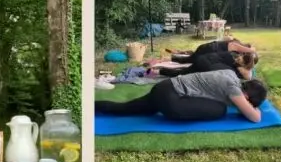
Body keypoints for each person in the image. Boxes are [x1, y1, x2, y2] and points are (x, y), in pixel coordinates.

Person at [95, 69, 268, 123]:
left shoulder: (230, 74)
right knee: (220, 109)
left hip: (163, 88)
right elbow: (255, 118)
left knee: (124, 109)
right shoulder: (234, 89)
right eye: (250, 102)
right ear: (246, 96)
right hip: (171, 99)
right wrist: (254, 110)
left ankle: (93, 106)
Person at [158, 51, 258, 81]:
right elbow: (248, 76)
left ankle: (160, 69)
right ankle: (160, 70)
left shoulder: (234, 58)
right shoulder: (235, 65)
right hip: (204, 63)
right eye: (241, 56)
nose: (239, 57)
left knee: (183, 68)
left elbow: (248, 76)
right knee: (182, 71)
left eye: (241, 57)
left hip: (204, 58)